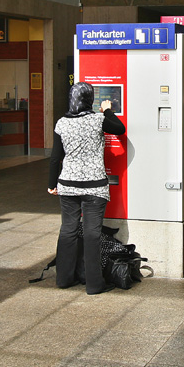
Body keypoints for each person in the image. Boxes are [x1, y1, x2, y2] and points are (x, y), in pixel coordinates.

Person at [48, 82, 125, 295]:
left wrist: (51, 184)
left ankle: (63, 279)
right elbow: (120, 129)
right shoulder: (98, 120)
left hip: (68, 185)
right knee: (92, 234)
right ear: (89, 99)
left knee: (68, 230)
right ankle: (94, 284)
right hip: (94, 187)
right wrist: (107, 109)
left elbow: (56, 158)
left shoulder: (62, 123)